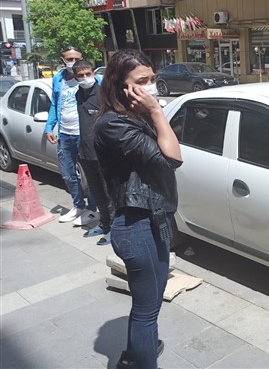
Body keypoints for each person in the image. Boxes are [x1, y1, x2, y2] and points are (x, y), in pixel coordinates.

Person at [94, 50, 182, 369]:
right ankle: (140, 358)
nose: (150, 86)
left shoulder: (134, 116)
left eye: (153, 78)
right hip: (137, 225)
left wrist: (152, 112)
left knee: (148, 305)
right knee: (147, 311)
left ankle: (134, 354)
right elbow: (172, 160)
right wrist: (156, 111)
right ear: (121, 85)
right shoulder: (113, 124)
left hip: (154, 219)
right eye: (142, 81)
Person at [45, 46, 97, 226]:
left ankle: (92, 208)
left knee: (90, 174)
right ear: (63, 60)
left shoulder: (90, 79)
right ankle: (78, 205)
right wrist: (49, 126)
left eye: (77, 59)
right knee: (68, 173)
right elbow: (54, 103)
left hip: (84, 133)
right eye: (69, 59)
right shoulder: (58, 78)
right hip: (65, 134)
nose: (73, 62)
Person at [72, 60, 113, 246]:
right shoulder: (78, 94)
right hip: (85, 152)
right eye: (80, 75)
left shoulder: (103, 94)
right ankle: (104, 223)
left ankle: (114, 229)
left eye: (87, 74)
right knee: (96, 192)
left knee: (109, 193)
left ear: (93, 73)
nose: (85, 78)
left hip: (103, 153)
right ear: (75, 77)